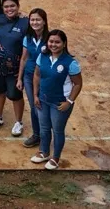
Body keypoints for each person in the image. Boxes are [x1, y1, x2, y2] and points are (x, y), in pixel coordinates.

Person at [31, 29, 83, 170]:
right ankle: (44, 152)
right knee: (44, 128)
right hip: (43, 99)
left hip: (59, 103)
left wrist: (69, 102)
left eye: (57, 42)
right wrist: (35, 95)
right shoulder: (42, 57)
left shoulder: (70, 63)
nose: (53, 44)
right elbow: (37, 75)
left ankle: (56, 158)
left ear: (64, 43)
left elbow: (78, 84)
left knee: (58, 130)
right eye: (51, 41)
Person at [0, 0, 29, 133]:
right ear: (2, 8)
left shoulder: (25, 22)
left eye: (12, 6)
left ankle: (19, 122)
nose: (9, 9)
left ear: (18, 7)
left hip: (16, 68)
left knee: (15, 95)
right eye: (6, 6)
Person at [17, 8, 49, 148]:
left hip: (45, 78)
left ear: (44, 21)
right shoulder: (27, 38)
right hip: (29, 76)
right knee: (34, 106)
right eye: (32, 20)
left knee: (43, 107)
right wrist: (19, 78)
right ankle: (37, 135)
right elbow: (24, 58)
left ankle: (45, 135)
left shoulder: (50, 39)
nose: (35, 22)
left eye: (38, 20)